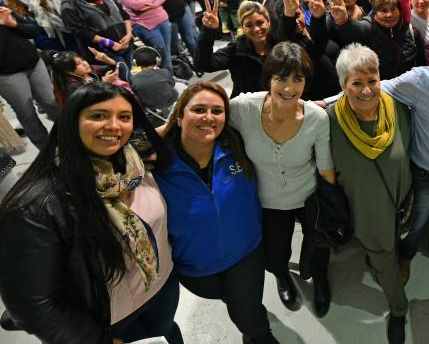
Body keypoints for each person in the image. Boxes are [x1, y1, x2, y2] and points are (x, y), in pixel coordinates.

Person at [0, 83, 182, 343]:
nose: (113, 126)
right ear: (72, 121)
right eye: (98, 116)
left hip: (161, 290)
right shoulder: (36, 205)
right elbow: (32, 303)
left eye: (124, 117)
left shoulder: (135, 163)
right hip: (109, 319)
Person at [324, 26, 429, 278]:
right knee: (413, 225)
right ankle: (406, 257)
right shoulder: (419, 81)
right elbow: (374, 87)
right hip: (425, 176)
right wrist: (320, 103)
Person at [156, 83, 279, 343]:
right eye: (199, 109)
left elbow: (270, 103)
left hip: (245, 255)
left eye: (217, 111)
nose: (208, 117)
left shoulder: (238, 146)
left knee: (248, 318)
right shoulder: (156, 164)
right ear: (179, 116)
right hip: (195, 269)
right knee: (238, 303)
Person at [228, 42, 336, 317]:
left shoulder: (316, 117)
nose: (289, 88)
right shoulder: (244, 108)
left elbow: (325, 166)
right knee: (275, 251)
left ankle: (320, 279)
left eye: (297, 79)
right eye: (281, 78)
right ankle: (282, 276)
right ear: (269, 79)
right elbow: (205, 112)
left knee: (319, 246)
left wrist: (332, 206)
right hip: (268, 200)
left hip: (308, 193)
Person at [327, 44, 413, 344]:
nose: (366, 91)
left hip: (401, 205)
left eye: (372, 81)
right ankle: (399, 308)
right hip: (366, 214)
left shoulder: (398, 109)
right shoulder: (328, 122)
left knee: (393, 250)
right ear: (342, 86)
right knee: (383, 259)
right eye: (357, 83)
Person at [0, 5, 59, 149]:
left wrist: (12, 24)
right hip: (8, 74)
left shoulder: (2, 10)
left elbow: (34, 31)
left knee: (52, 102)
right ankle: (48, 152)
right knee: (27, 114)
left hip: (34, 63)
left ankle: (73, 139)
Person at [110, 0, 174, 75]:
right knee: (160, 55)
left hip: (162, 18)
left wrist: (153, 4)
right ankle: (166, 79)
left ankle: (170, 77)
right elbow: (133, 4)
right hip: (144, 24)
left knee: (167, 52)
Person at [60, 0, 134, 71]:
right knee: (123, 77)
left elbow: (123, 14)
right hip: (104, 51)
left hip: (125, 43)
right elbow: (80, 31)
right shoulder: (69, 4)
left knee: (130, 72)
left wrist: (129, 35)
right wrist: (110, 43)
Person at [196, 0, 273, 97]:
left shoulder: (279, 46)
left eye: (260, 23)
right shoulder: (235, 51)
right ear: (243, 27)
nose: (256, 29)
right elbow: (203, 65)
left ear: (268, 22)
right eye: (249, 25)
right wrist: (208, 31)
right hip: (248, 108)